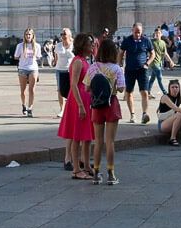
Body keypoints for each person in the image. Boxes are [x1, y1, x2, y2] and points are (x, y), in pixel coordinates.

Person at [57, 32, 94, 177]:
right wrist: (80, 105)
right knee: (77, 136)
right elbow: (73, 84)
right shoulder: (78, 61)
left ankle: (86, 165)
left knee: (86, 136)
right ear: (83, 45)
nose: (92, 45)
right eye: (89, 43)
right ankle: (76, 169)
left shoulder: (84, 61)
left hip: (85, 99)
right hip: (78, 100)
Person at [88, 38, 124, 185]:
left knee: (98, 142)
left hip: (97, 105)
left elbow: (86, 88)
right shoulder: (117, 69)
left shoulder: (93, 67)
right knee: (110, 142)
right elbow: (121, 89)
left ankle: (96, 174)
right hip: (111, 104)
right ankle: (111, 174)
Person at [119, 23, 153, 124]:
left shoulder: (146, 41)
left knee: (144, 92)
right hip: (130, 70)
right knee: (129, 92)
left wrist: (147, 63)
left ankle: (144, 114)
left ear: (142, 31)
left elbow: (153, 53)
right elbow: (120, 52)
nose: (138, 34)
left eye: (139, 32)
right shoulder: (127, 40)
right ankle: (132, 115)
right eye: (136, 32)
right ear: (132, 30)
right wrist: (119, 63)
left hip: (142, 70)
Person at [156, 79, 181, 146]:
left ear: (179, 88)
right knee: (180, 114)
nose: (175, 89)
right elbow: (175, 108)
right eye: (172, 87)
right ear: (169, 88)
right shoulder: (165, 97)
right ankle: (172, 138)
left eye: (176, 87)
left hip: (172, 120)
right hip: (163, 123)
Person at [14, 28, 40, 117]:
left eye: (30, 34)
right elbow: (16, 57)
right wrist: (23, 57)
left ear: (33, 36)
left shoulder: (37, 46)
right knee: (23, 90)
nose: (28, 36)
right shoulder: (20, 46)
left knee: (32, 90)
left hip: (33, 69)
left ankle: (30, 108)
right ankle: (24, 105)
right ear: (24, 36)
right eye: (26, 34)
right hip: (22, 69)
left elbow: (38, 57)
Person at [52, 28, 74, 119]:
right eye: (62, 34)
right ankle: (62, 109)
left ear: (69, 35)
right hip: (59, 70)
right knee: (60, 90)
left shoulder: (74, 45)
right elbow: (56, 57)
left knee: (71, 90)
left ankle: (71, 109)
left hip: (70, 70)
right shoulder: (58, 45)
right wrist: (54, 62)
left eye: (64, 34)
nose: (63, 36)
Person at [147, 27, 171, 95]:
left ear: (161, 34)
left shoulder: (163, 42)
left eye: (158, 33)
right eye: (156, 33)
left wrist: (171, 61)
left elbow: (165, 53)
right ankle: (165, 93)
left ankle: (148, 92)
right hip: (154, 63)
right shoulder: (152, 42)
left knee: (152, 79)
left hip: (159, 63)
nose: (157, 34)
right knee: (160, 78)